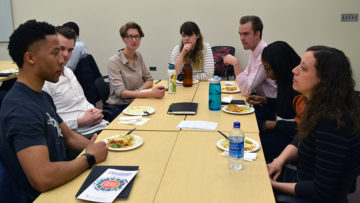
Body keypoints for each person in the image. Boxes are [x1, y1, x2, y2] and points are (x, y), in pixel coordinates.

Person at [0, 20, 108, 202]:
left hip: (62, 184)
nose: (62, 59)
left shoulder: (42, 96)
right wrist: (89, 158)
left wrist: (97, 147)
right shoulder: (21, 108)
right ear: (30, 58)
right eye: (55, 53)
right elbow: (43, 177)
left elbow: (69, 136)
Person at [267, 46, 360, 202]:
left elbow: (321, 191)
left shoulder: (332, 122)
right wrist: (278, 161)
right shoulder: (319, 105)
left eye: (303, 68)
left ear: (324, 79)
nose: (294, 70)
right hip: (303, 180)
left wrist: (273, 185)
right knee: (251, 169)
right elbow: (301, 138)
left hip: (313, 195)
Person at [43, 26, 108, 140]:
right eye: (61, 48)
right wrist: (79, 122)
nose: (66, 54)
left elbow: (82, 101)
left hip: (101, 125)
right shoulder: (45, 82)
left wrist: (96, 111)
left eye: (70, 50)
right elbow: (49, 124)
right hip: (79, 135)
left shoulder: (68, 72)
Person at [246, 41, 300, 162]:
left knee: (253, 139)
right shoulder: (284, 80)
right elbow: (285, 105)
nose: (265, 73)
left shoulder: (297, 86)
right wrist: (265, 100)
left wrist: (276, 125)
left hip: (291, 139)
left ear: (280, 66)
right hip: (281, 126)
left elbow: (303, 127)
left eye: (268, 69)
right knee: (251, 118)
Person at [107, 22, 165, 115]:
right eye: (130, 37)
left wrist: (138, 92)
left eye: (137, 37)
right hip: (120, 106)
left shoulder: (138, 56)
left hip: (137, 101)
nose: (134, 40)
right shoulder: (114, 61)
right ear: (123, 39)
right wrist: (150, 93)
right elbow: (121, 93)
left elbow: (149, 80)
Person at [223, 15, 276, 97]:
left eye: (245, 34)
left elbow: (246, 90)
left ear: (257, 34)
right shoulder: (255, 50)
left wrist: (236, 63)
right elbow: (246, 76)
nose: (241, 38)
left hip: (269, 106)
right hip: (260, 102)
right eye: (240, 34)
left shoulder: (264, 54)